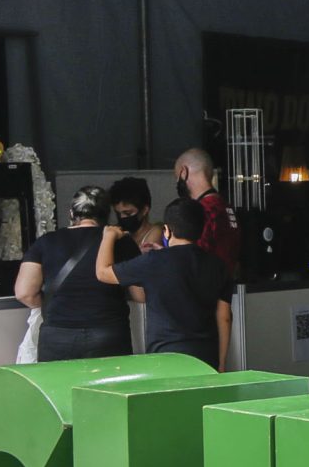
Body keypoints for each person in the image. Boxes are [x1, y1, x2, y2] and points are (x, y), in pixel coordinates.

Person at [101, 196, 230, 368]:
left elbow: (103, 272)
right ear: (201, 229)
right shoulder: (218, 265)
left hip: (164, 358)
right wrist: (221, 364)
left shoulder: (154, 262)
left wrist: (108, 237)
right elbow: (224, 317)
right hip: (205, 357)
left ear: (167, 230)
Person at [14, 186, 135, 362]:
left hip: (58, 336)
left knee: (59, 388)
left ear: (71, 214)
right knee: (109, 388)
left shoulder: (45, 242)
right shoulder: (122, 242)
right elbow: (140, 293)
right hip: (109, 333)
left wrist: (58, 303)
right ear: (106, 215)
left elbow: (24, 293)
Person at [172, 148, 241, 277]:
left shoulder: (203, 211)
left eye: (177, 178)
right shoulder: (226, 207)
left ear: (183, 172)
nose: (177, 184)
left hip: (205, 291)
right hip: (225, 288)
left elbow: (193, 256)